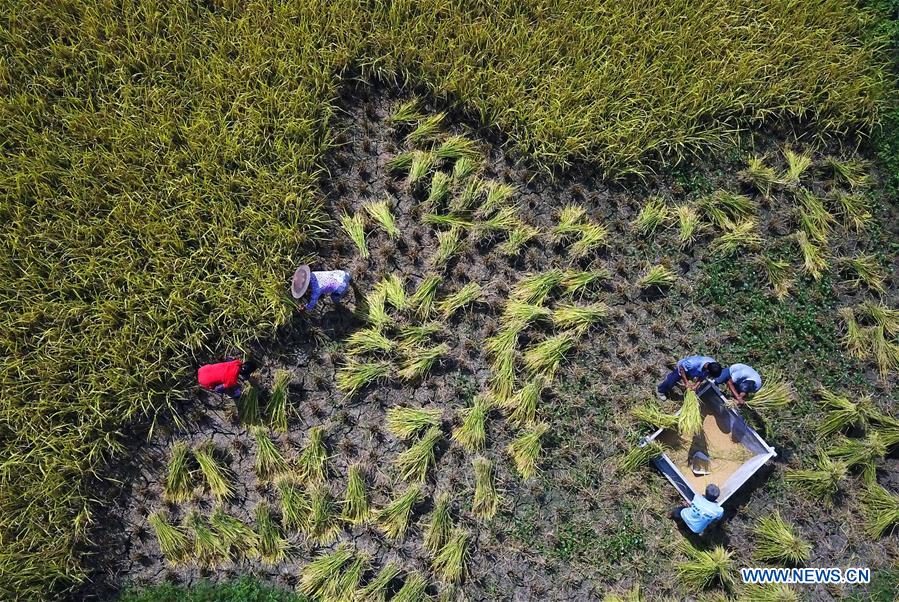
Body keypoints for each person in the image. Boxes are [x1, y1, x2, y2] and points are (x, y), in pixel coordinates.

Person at [657, 355, 723, 401]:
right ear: (708, 370)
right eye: (709, 375)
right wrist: (686, 383)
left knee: (688, 381)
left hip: (693, 371)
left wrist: (696, 385)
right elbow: (682, 368)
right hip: (683, 368)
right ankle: (660, 390)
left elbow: (703, 376)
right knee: (671, 380)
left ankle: (682, 381)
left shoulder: (712, 364)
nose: (709, 376)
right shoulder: (692, 363)